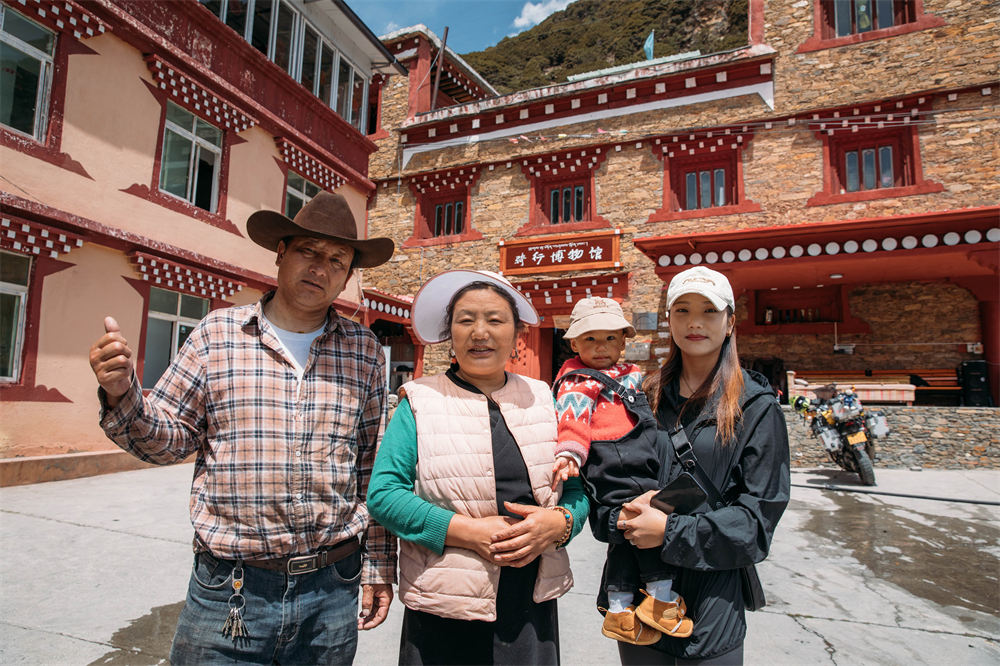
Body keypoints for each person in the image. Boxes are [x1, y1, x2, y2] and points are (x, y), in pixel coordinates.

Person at [88, 191, 398, 664]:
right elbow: (167, 440)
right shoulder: (218, 334)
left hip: (332, 587)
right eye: (308, 251)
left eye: (337, 259)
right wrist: (121, 394)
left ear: (348, 276)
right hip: (229, 589)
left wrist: (378, 564)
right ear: (281, 253)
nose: (320, 267)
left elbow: (372, 466)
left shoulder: (365, 352)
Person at [367, 269, 590, 665]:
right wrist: (467, 532)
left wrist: (561, 523)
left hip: (530, 602)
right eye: (466, 320)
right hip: (444, 604)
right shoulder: (420, 400)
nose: (480, 331)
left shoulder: (541, 398)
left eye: (495, 319)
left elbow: (572, 487)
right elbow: (384, 495)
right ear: (449, 333)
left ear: (517, 334)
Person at [605, 266, 791, 665]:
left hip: (712, 603)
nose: (694, 322)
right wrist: (619, 517)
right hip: (639, 595)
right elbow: (608, 477)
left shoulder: (756, 408)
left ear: (730, 323)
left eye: (709, 311)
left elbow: (758, 520)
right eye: (682, 310)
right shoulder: (642, 397)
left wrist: (670, 530)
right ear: (668, 320)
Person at [551, 297, 692, 647]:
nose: (602, 347)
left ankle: (620, 609)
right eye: (591, 339)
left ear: (624, 341)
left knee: (630, 534)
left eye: (610, 338)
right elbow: (572, 423)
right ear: (574, 344)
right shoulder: (576, 381)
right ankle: (661, 600)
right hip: (611, 462)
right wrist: (570, 455)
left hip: (638, 458)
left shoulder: (630, 374)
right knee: (644, 523)